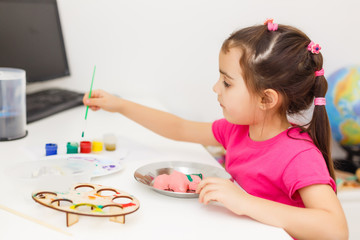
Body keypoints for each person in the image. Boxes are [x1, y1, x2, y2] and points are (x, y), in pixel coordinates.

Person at [83, 19, 348, 239]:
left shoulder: (298, 156)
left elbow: (335, 230)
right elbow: (180, 128)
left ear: (266, 99)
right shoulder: (238, 131)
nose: (215, 88)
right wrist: (119, 105)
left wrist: (245, 203)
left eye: (227, 83)